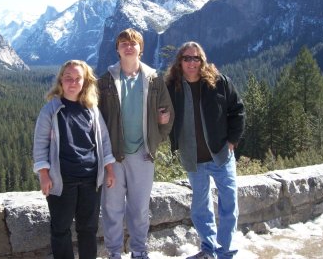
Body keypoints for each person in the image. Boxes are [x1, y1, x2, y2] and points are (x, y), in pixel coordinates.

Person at [97, 28, 174, 259]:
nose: (128, 46)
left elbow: (167, 114)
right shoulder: (106, 81)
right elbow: (96, 117)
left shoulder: (154, 79)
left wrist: (154, 141)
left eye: (133, 43)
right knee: (112, 208)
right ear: (117, 49)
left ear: (141, 48)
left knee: (140, 209)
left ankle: (139, 251)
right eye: (123, 43)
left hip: (143, 155)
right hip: (114, 156)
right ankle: (114, 253)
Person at [165, 42, 245, 259]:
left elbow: (237, 110)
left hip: (221, 155)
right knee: (200, 208)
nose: (192, 63)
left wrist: (231, 141)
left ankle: (225, 251)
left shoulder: (219, 83)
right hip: (193, 159)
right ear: (179, 62)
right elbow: (164, 117)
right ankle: (209, 249)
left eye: (196, 58)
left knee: (229, 204)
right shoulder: (172, 88)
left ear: (202, 60)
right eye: (187, 58)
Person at [33, 60, 116, 259]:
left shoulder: (92, 110)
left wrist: (109, 170)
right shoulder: (50, 110)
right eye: (68, 78)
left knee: (88, 228)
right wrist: (44, 175)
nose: (72, 82)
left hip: (90, 178)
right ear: (61, 80)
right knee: (60, 229)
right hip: (62, 180)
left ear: (85, 82)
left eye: (78, 78)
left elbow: (104, 141)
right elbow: (40, 145)